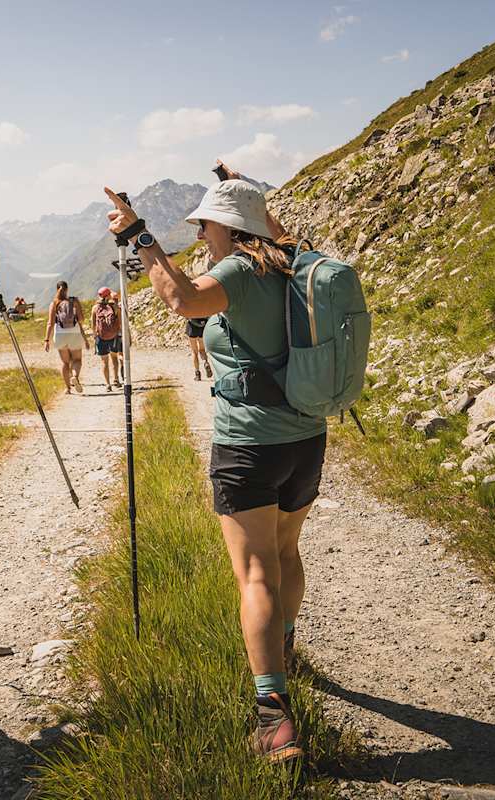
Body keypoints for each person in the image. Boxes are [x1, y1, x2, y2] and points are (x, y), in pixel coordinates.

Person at [103, 176, 323, 765]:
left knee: (255, 574)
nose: (201, 235)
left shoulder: (239, 271)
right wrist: (238, 189)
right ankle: (284, 648)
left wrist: (140, 236)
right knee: (286, 552)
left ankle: (273, 719)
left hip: (250, 444)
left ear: (228, 227)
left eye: (204, 225)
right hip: (306, 437)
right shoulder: (293, 261)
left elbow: (182, 299)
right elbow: (272, 230)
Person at [44, 280, 90, 394]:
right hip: (74, 333)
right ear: (67, 289)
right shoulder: (74, 301)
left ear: (57, 289)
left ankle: (68, 388)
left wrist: (46, 340)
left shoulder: (54, 303)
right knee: (77, 360)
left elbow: (50, 323)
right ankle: (75, 376)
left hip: (60, 335)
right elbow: (81, 319)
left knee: (65, 363)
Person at [91, 286, 123, 392]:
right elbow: (119, 321)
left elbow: (93, 325)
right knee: (114, 358)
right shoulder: (114, 307)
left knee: (104, 362)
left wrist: (95, 336)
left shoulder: (95, 308)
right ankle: (116, 379)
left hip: (101, 337)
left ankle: (107, 384)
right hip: (113, 336)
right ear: (108, 295)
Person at [186, 315, 214, 381]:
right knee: (202, 350)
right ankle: (206, 362)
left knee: (194, 352)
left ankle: (197, 374)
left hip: (192, 328)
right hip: (202, 328)